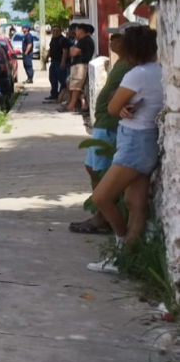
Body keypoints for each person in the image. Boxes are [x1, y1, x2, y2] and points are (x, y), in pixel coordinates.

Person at [88, 26, 163, 273]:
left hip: (133, 141)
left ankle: (121, 243)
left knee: (101, 197)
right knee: (134, 203)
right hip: (149, 138)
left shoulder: (136, 74)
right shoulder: (159, 71)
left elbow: (111, 107)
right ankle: (128, 259)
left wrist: (118, 106)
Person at [70, 32, 128, 235]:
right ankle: (102, 214)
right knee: (92, 167)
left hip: (110, 125)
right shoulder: (122, 62)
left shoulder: (131, 65)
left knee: (100, 172)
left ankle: (102, 217)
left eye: (117, 37)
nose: (111, 41)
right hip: (103, 123)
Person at [66, 23, 97, 114]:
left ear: (81, 31)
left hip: (80, 65)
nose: (75, 32)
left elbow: (73, 53)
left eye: (76, 30)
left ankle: (72, 105)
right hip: (77, 65)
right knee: (73, 84)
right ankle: (78, 104)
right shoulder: (82, 40)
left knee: (76, 86)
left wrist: (73, 49)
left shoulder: (84, 40)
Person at [44, 25, 72, 102]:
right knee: (52, 78)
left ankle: (61, 95)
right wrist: (47, 57)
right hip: (53, 62)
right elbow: (50, 49)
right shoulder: (53, 39)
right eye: (53, 30)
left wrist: (63, 61)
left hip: (60, 62)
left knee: (62, 79)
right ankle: (54, 94)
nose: (55, 32)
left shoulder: (63, 40)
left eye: (57, 30)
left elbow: (65, 51)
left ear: (60, 31)